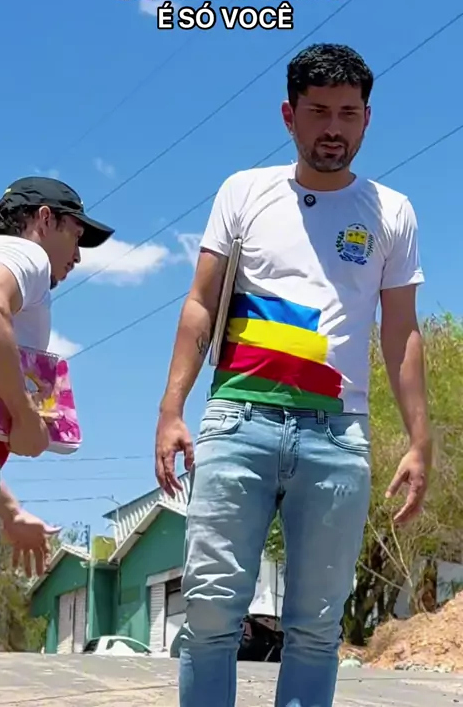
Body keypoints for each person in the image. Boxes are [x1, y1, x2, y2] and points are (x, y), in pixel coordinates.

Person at [155, 43, 432, 707]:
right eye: (318, 112)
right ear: (289, 115)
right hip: (237, 421)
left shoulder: (392, 211)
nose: (333, 128)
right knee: (210, 614)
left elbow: (400, 330)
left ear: (367, 119)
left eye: (348, 113)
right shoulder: (244, 191)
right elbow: (200, 302)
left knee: (316, 626)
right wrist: (171, 409)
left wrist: (420, 441)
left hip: (337, 436)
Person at [0, 176, 114, 596]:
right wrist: (25, 416)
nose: (77, 255)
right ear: (44, 219)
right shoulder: (25, 254)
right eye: (75, 235)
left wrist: (9, 511)